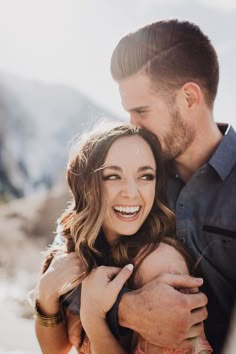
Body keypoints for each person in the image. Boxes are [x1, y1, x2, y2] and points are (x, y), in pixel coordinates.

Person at [105, 19, 236, 354]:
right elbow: (68, 273)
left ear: (189, 98)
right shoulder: (132, 180)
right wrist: (125, 308)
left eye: (142, 111)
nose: (132, 125)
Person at [34, 124, 212, 353]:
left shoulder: (159, 265)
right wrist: (46, 291)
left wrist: (94, 318)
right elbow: (55, 349)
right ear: (86, 185)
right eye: (113, 176)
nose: (131, 192)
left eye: (145, 176)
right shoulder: (76, 249)